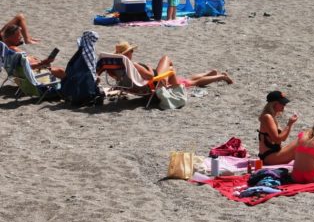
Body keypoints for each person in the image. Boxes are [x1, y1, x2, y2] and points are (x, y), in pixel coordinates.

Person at [102, 41, 232, 89]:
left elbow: (119, 79)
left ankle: (211, 73)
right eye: (131, 51)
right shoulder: (132, 64)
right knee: (189, 82)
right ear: (127, 54)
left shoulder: (116, 67)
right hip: (157, 82)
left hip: (141, 85)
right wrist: (146, 68)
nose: (132, 52)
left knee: (188, 79)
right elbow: (149, 75)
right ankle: (220, 77)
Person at [258, 90, 299, 165]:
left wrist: (290, 124)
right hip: (269, 157)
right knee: (301, 142)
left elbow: (283, 138)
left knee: (302, 142)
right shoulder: (267, 117)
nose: (284, 105)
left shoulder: (271, 117)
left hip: (273, 154)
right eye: (282, 103)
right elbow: (276, 139)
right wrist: (289, 124)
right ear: (274, 104)